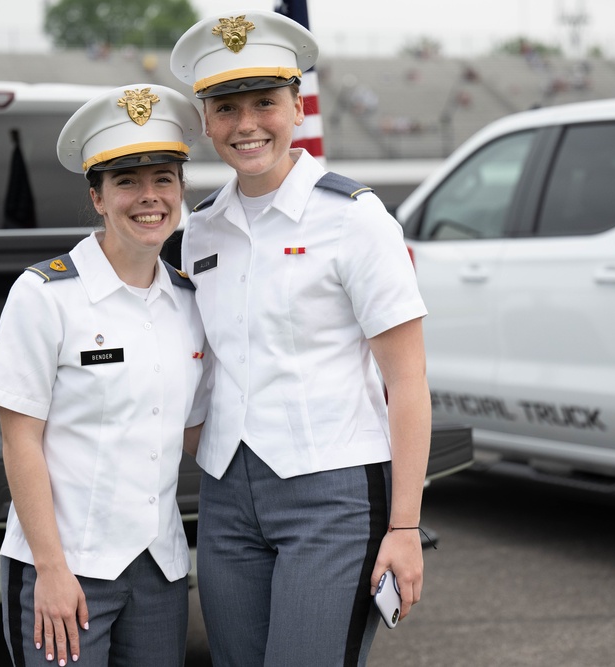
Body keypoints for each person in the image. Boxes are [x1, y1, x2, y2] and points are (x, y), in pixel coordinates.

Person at [170, 10, 431, 666]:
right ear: (206, 120)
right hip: (228, 495)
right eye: (226, 107)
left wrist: (404, 525)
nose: (247, 123)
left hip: (333, 493)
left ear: (296, 104)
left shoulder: (356, 219)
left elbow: (407, 380)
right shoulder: (200, 229)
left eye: (266, 102)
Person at [0, 83, 209, 667]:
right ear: (98, 197)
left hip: (159, 569)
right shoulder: (45, 296)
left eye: (164, 179)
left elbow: (194, 431)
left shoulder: (189, 301)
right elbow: (20, 439)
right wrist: (51, 571)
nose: (148, 197)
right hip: (65, 569)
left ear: (182, 191)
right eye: (127, 181)